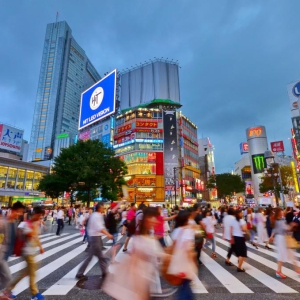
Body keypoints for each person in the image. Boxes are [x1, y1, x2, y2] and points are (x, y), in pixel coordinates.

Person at [102, 207, 166, 300]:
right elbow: (134, 265)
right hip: (141, 281)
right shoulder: (141, 239)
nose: (156, 220)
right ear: (146, 219)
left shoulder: (148, 236)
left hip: (146, 281)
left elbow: (154, 254)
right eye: (153, 217)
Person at [5, 207, 45, 300]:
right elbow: (30, 235)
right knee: (32, 273)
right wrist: (34, 226)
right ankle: (35, 294)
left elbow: (36, 237)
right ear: (34, 213)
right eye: (38, 215)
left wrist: (41, 247)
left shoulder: (34, 223)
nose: (39, 218)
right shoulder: (25, 224)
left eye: (41, 216)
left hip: (32, 251)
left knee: (23, 273)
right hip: (26, 251)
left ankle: (8, 290)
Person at [76, 203, 113, 281]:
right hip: (95, 238)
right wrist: (108, 234)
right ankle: (79, 274)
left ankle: (105, 272)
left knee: (100, 257)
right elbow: (99, 228)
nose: (104, 209)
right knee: (91, 257)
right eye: (103, 208)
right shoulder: (97, 216)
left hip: (95, 237)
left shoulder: (94, 215)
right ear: (99, 208)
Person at [170, 210, 196, 300]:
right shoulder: (188, 232)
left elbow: (173, 245)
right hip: (185, 261)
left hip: (177, 261)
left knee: (183, 284)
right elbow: (189, 249)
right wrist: (193, 262)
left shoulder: (176, 230)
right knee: (186, 285)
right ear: (186, 220)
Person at [269, 207, 300, 278]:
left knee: (289, 254)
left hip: (282, 238)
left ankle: (297, 270)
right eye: (281, 211)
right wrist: (292, 225)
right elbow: (287, 228)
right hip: (282, 239)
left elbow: (274, 229)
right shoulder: (280, 220)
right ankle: (278, 271)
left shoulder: (278, 220)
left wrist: (271, 236)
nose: (283, 212)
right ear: (279, 213)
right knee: (283, 255)